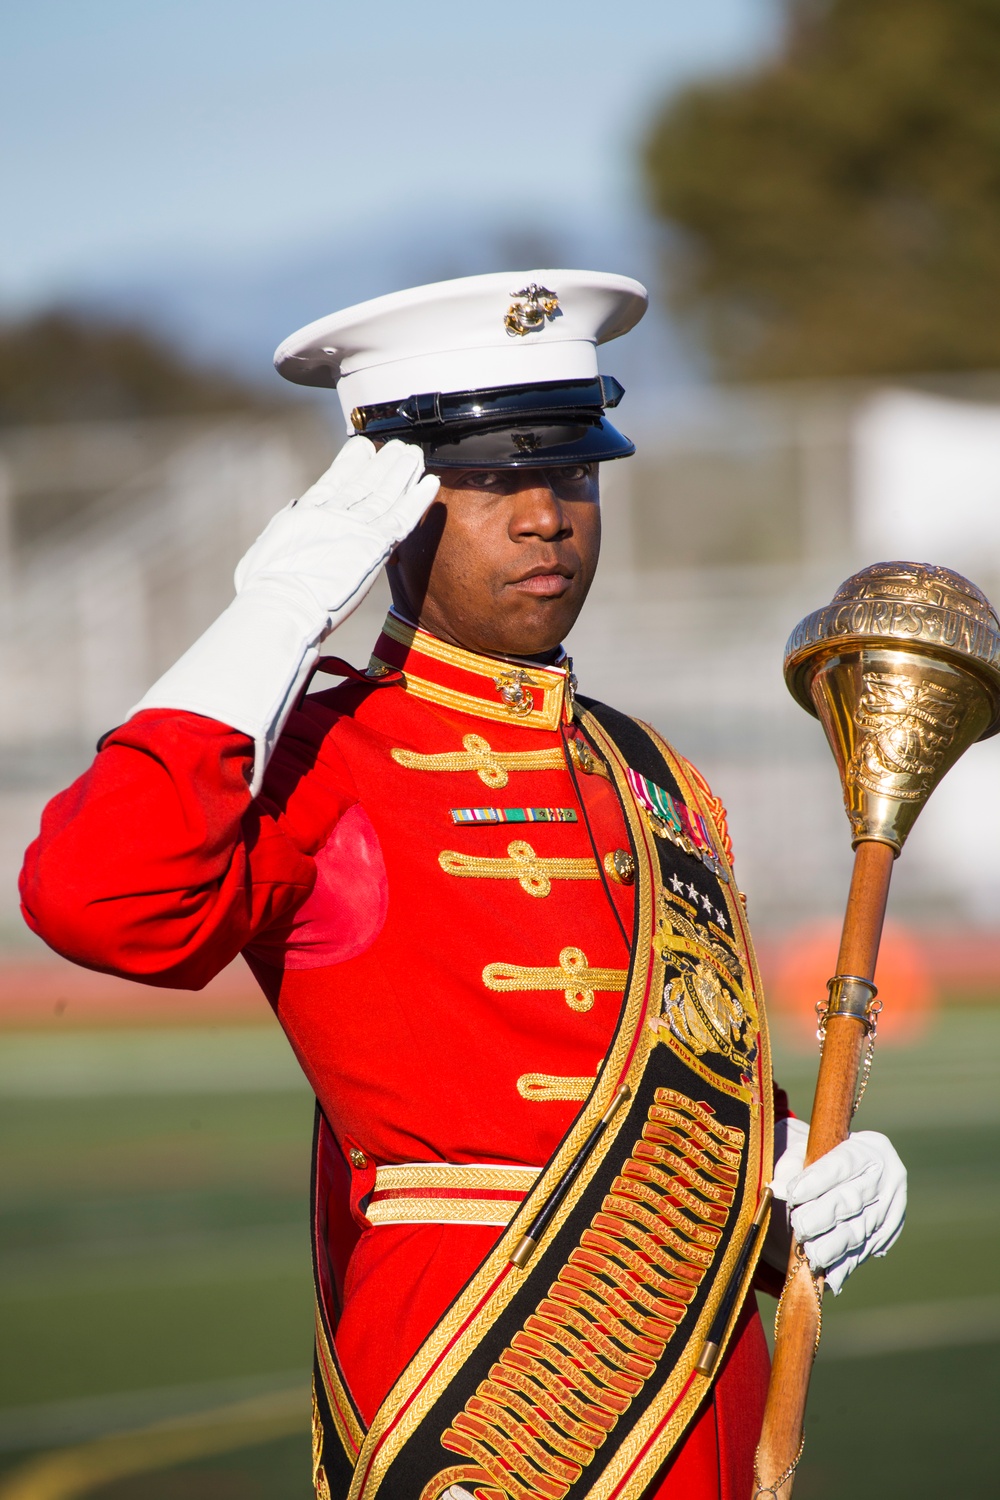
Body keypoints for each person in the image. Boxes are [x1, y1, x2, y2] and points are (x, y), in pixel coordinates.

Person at [20, 271, 905, 1500]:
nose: (548, 515)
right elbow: (96, 902)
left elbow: (681, 1060)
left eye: (577, 472)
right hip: (484, 1406)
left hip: (701, 1395)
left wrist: (790, 1158)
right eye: (490, 478)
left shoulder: (651, 773)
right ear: (389, 508)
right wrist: (269, 618)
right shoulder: (322, 758)